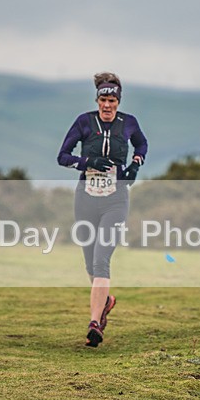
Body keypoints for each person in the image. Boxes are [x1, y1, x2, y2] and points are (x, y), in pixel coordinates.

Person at [57, 72, 148, 347]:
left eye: (112, 101)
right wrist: (88, 162)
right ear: (97, 100)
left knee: (101, 261)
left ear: (118, 102)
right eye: (103, 100)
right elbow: (62, 157)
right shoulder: (84, 122)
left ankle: (95, 324)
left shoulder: (129, 123)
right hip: (85, 198)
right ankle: (105, 301)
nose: (107, 105)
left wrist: (136, 163)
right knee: (89, 262)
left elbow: (142, 143)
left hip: (115, 200)